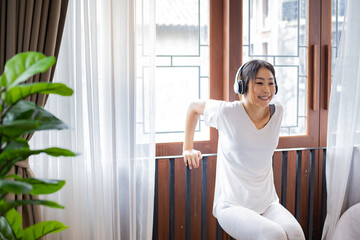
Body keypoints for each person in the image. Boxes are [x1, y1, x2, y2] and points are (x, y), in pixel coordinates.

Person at [183, 60, 305, 240]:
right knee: (275, 235)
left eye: (271, 83)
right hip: (232, 205)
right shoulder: (227, 113)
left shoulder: (277, 111)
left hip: (267, 203)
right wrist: (187, 148)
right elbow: (193, 107)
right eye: (259, 83)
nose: (267, 90)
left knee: (296, 234)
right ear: (242, 86)